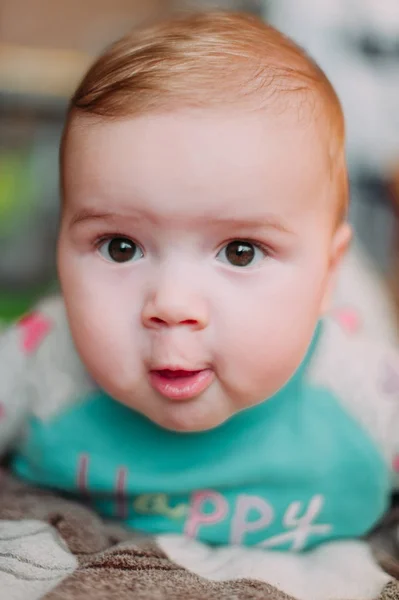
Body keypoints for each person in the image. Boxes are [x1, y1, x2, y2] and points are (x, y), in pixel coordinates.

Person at [0, 10, 398, 553]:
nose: (171, 303)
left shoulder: (368, 393)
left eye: (240, 252)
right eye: (121, 246)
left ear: (325, 273)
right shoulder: (41, 358)